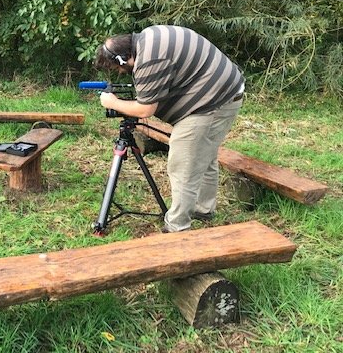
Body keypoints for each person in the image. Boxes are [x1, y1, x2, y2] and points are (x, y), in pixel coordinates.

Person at [94, 25, 244, 233]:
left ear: (122, 58)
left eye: (117, 67)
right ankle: (203, 209)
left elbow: (145, 109)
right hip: (225, 92)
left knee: (183, 163)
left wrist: (112, 102)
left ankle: (177, 226)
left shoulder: (149, 60)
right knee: (203, 153)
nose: (120, 72)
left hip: (213, 102)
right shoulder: (149, 37)